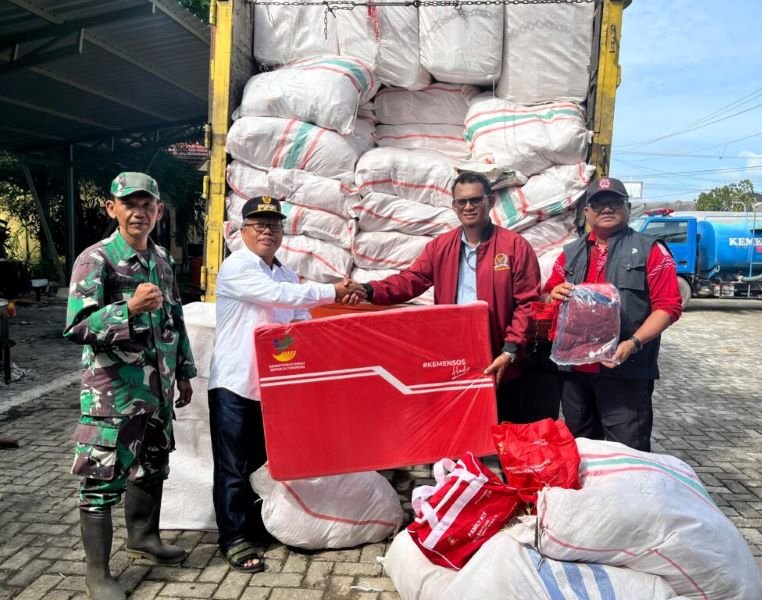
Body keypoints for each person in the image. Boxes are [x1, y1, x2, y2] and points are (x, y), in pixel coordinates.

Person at [64, 172, 196, 600]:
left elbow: (175, 318)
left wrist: (183, 372)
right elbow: (76, 327)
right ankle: (97, 574)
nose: (139, 212)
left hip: (155, 392)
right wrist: (129, 308)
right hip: (113, 396)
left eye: (148, 205)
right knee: (101, 481)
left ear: (158, 211)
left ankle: (143, 539)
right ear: (112, 208)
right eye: (130, 204)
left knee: (153, 465)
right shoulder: (96, 259)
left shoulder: (161, 259)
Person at [208, 195, 355, 572]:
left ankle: (256, 525)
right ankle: (234, 538)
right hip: (236, 384)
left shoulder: (285, 272)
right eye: (258, 225)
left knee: (261, 465)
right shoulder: (237, 266)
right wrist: (331, 290)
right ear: (242, 232)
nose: (267, 231)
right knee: (233, 467)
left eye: (273, 225)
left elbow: (299, 316)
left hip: (274, 387)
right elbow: (279, 297)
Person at [345, 171, 548, 423]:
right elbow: (411, 280)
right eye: (461, 202)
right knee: (457, 427)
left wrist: (510, 350)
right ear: (453, 206)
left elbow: (527, 304)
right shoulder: (441, 248)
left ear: (491, 202)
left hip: (499, 355)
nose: (468, 207)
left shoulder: (514, 247)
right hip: (454, 356)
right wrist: (369, 290)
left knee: (499, 430)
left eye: (476, 200)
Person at [545, 177, 682, 452]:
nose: (606, 208)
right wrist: (554, 294)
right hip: (575, 374)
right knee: (582, 450)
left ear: (628, 207)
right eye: (598, 203)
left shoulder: (651, 250)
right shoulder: (569, 253)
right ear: (586, 212)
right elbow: (549, 294)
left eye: (614, 202)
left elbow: (668, 307)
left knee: (629, 452)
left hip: (625, 372)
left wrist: (633, 344)